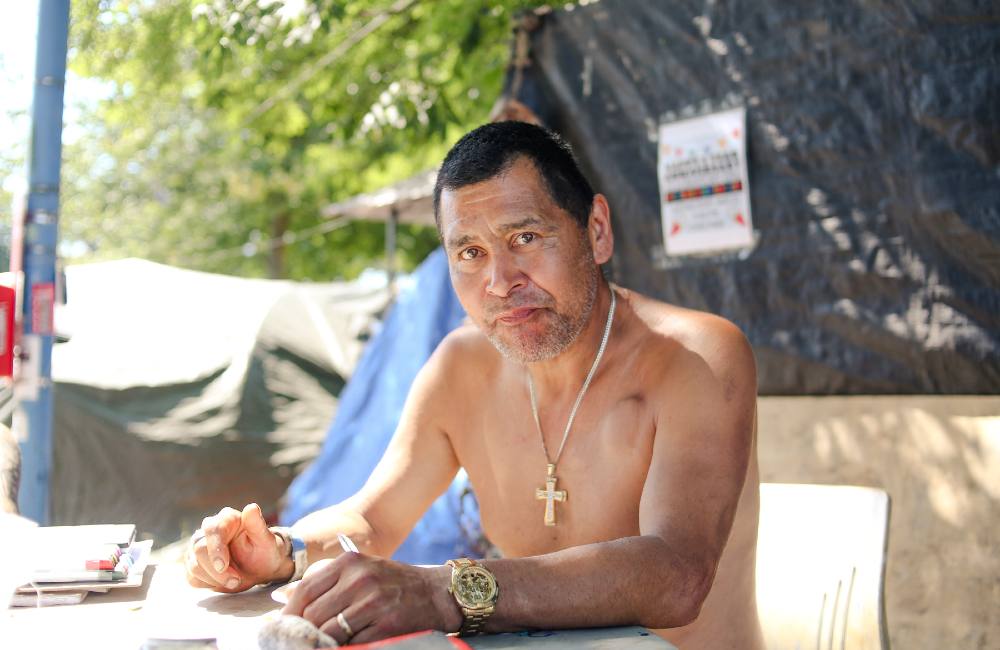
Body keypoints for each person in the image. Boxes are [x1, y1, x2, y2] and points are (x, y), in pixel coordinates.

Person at [186, 121, 764, 649]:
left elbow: (677, 573)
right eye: (470, 252)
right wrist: (283, 551)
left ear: (596, 230)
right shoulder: (461, 367)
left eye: (526, 239)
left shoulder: (698, 357)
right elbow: (374, 520)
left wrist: (444, 591)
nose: (500, 281)